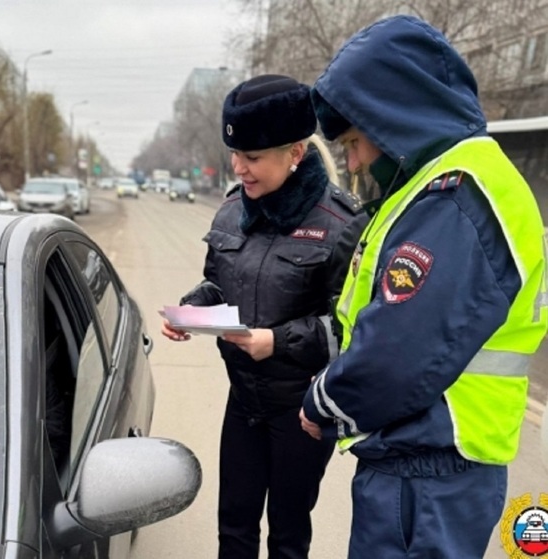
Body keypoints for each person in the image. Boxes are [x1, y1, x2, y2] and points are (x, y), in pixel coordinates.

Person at [300, 15, 548, 559]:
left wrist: (323, 402)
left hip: (430, 471)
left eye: (356, 141)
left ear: (395, 120)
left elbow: (398, 349)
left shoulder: (456, 195)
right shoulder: (448, 187)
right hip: (430, 467)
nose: (354, 161)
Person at [162, 74, 368, 559]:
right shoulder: (233, 211)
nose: (239, 169)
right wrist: (191, 310)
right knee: (233, 527)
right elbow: (220, 283)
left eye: (252, 158)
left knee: (287, 535)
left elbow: (348, 331)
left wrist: (275, 341)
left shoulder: (341, 224)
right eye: (235, 156)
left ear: (295, 153)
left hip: (300, 413)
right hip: (244, 403)